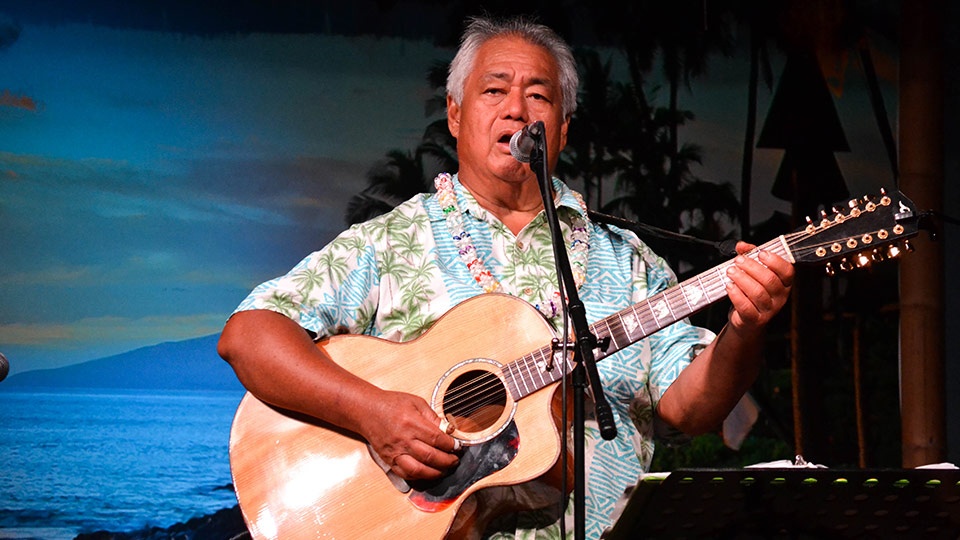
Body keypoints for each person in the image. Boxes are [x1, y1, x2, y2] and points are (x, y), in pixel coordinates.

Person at [218, 15, 794, 539]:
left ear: (563, 129)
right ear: (456, 113)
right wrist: (371, 412)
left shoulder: (627, 260)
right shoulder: (391, 241)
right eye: (494, 90)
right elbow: (248, 336)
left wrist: (746, 326)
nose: (516, 109)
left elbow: (689, 409)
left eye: (538, 95)